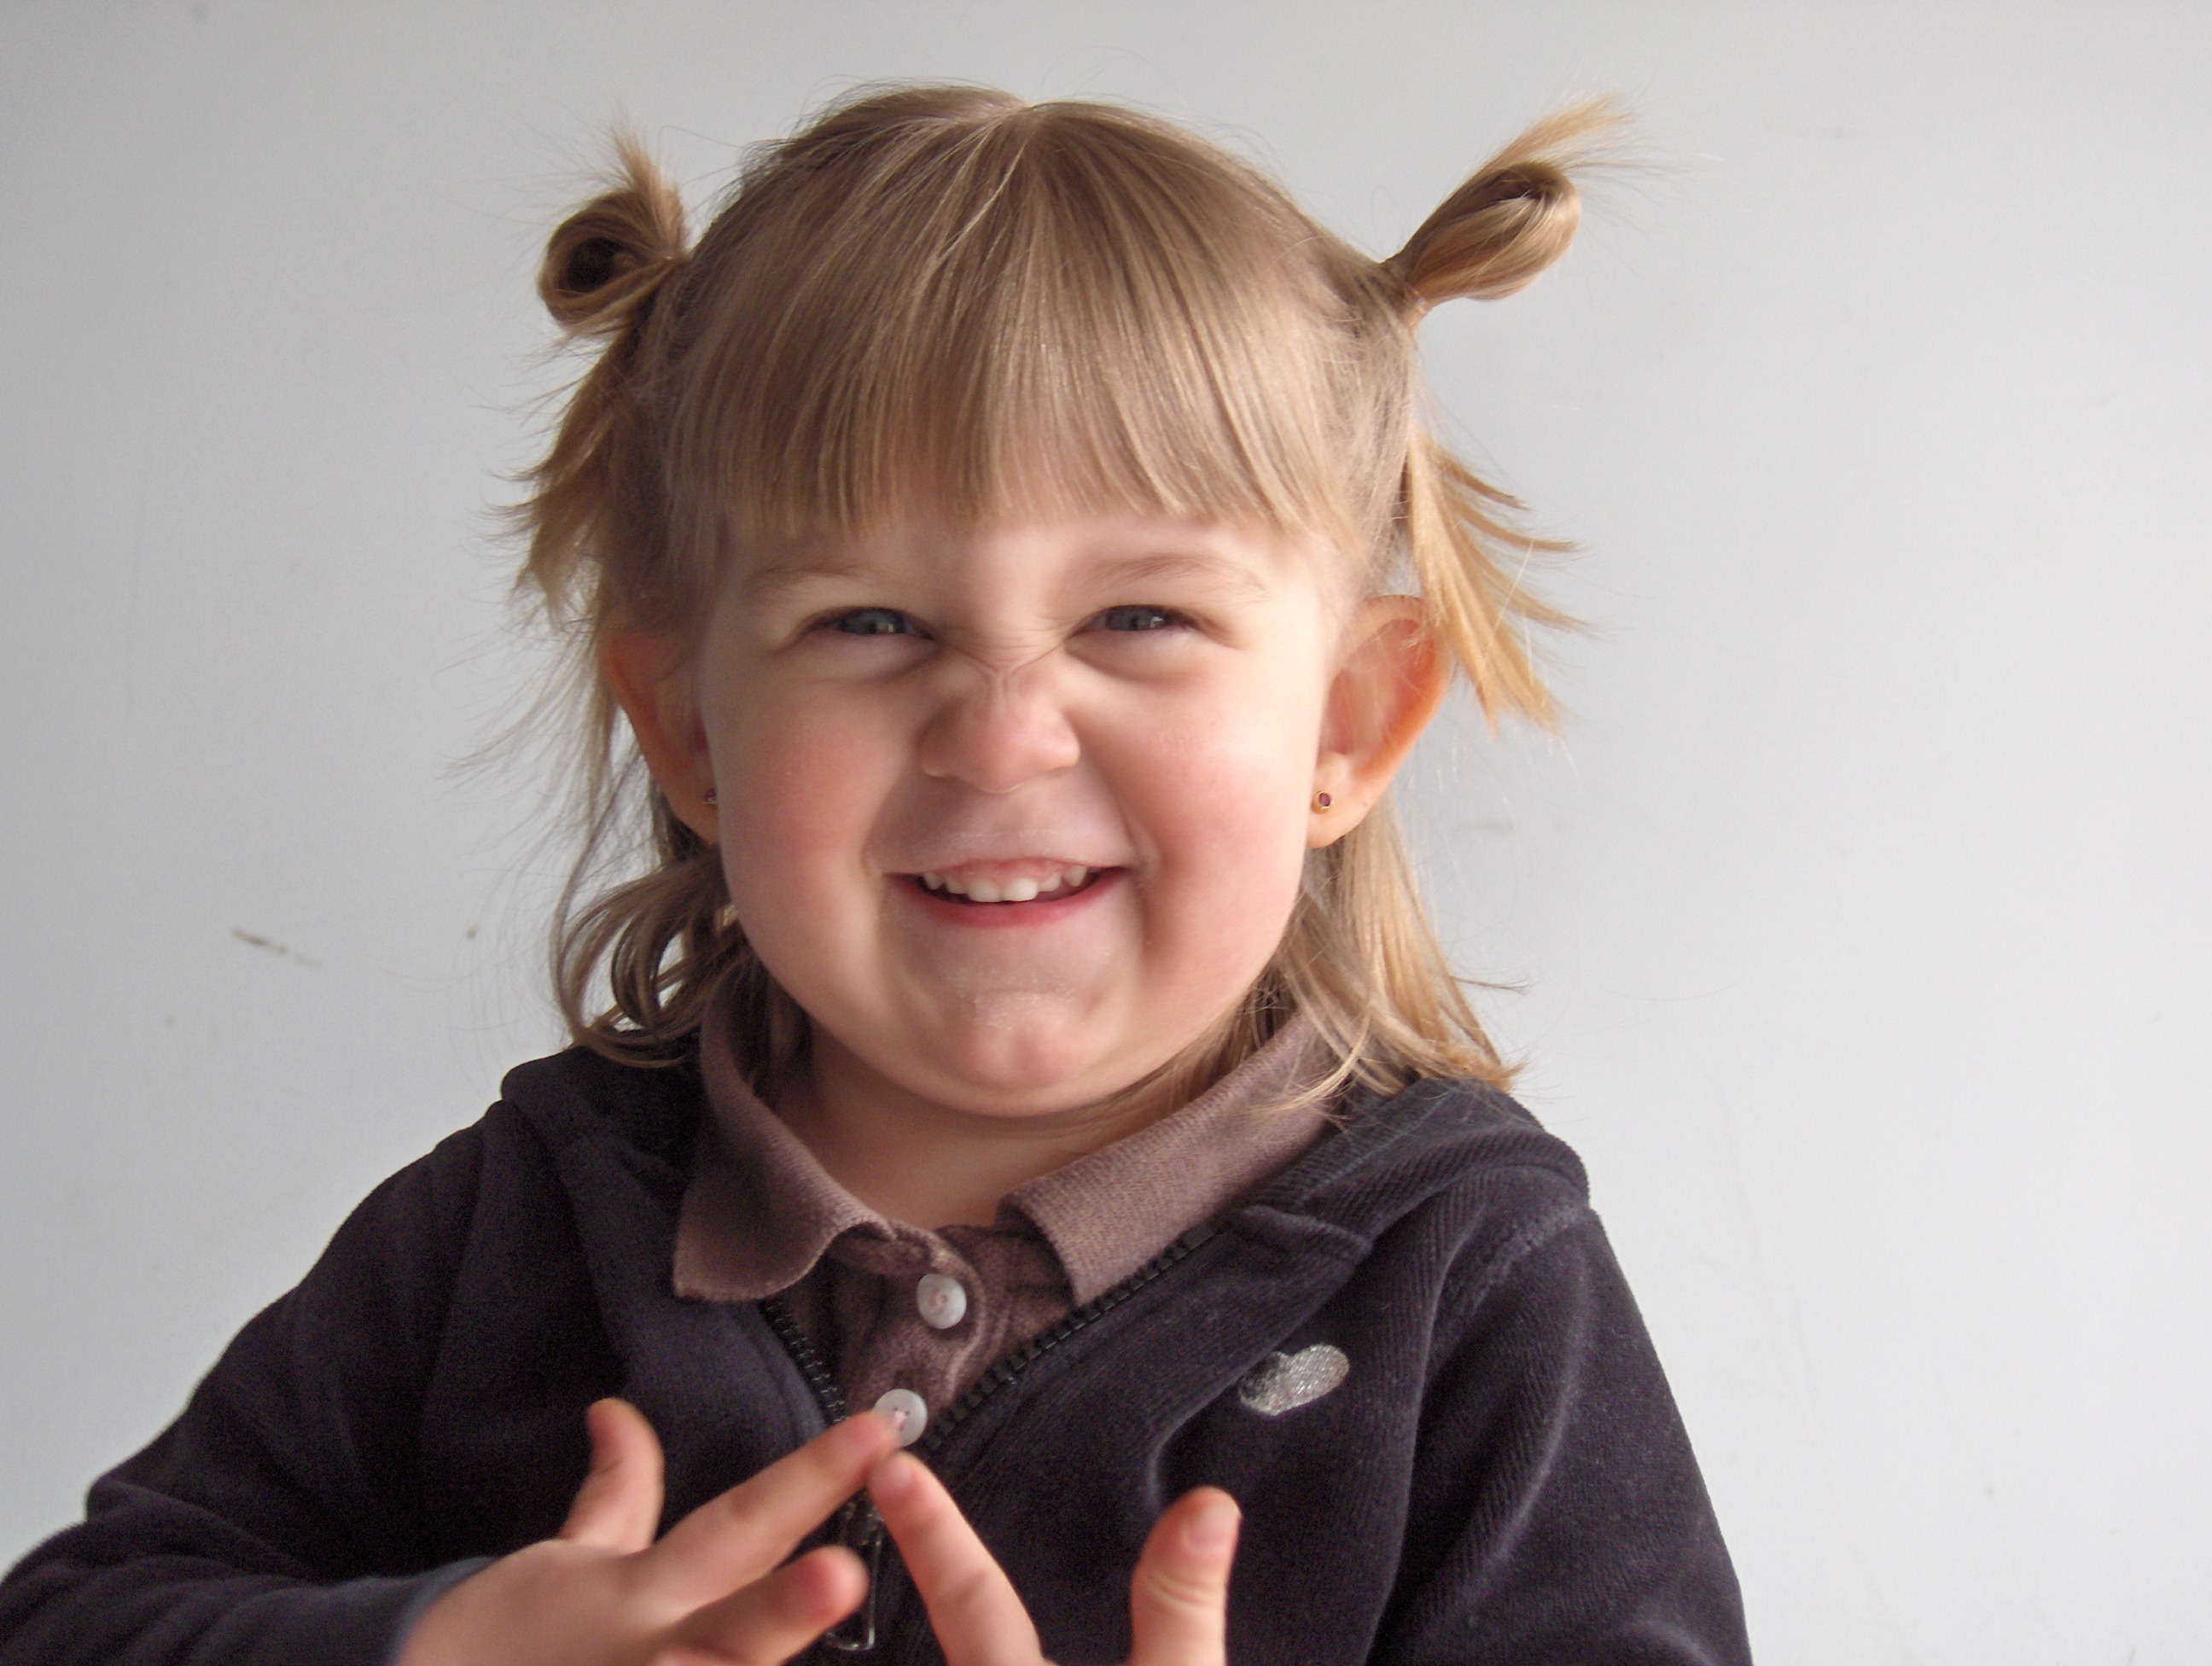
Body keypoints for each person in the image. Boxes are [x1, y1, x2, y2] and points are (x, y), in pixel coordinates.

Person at [0, 84, 1750, 1664]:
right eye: (868, 622)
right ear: (688, 730)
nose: (1000, 737)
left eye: (1139, 616)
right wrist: (443, 1649)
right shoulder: (517, 1223)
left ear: (1349, 724)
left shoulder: (1467, 1273)